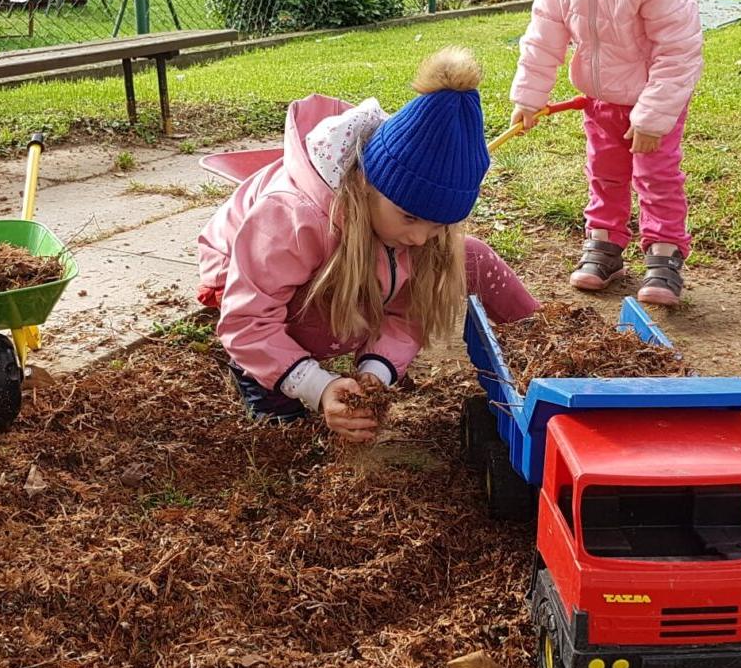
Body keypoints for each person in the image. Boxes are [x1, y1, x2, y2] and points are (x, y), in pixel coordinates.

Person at [197, 48, 539, 443]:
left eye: (438, 225)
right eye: (409, 218)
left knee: (460, 258)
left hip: (345, 247)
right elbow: (249, 318)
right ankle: (265, 379)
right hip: (243, 271)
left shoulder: (414, 227)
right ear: (365, 183)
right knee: (316, 343)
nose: (418, 237)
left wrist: (374, 374)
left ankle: (543, 326)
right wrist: (317, 385)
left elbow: (409, 310)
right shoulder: (293, 218)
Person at [509, 0, 703, 306]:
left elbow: (678, 50)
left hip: (650, 101)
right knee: (605, 171)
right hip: (599, 97)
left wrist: (655, 114)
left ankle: (663, 253)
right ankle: (605, 242)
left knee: (656, 176)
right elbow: (546, 28)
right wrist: (530, 94)